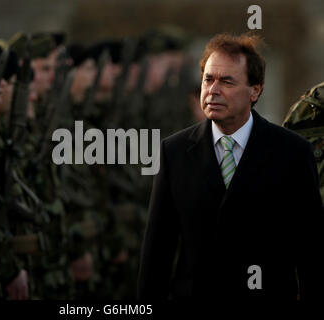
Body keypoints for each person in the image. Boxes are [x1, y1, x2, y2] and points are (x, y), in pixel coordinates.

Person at [137, 33, 324, 300]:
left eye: (226, 81)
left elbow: (311, 254)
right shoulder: (174, 152)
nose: (213, 90)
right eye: (208, 79)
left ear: (255, 90)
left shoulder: (292, 152)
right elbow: (157, 253)